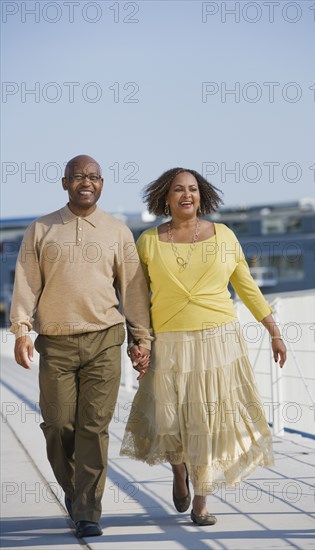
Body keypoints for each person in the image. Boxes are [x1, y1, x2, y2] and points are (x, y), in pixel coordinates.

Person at [120, 167, 287, 525]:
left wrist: (273, 329)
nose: (186, 195)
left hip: (218, 342)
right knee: (169, 421)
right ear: (165, 197)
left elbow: (245, 286)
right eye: (178, 189)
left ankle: (201, 500)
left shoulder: (224, 236)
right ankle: (179, 471)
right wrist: (139, 340)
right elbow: (135, 298)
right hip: (169, 342)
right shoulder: (149, 240)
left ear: (202, 195)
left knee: (207, 424)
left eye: (193, 189)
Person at [10, 155, 152, 538]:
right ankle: (75, 492)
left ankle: (89, 509)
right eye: (77, 177)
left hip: (105, 337)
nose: (85, 182)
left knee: (94, 427)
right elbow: (26, 282)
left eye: (92, 176)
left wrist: (142, 337)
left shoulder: (118, 231)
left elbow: (133, 290)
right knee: (58, 425)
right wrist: (21, 329)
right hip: (55, 343)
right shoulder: (40, 229)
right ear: (64, 183)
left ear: (102, 184)